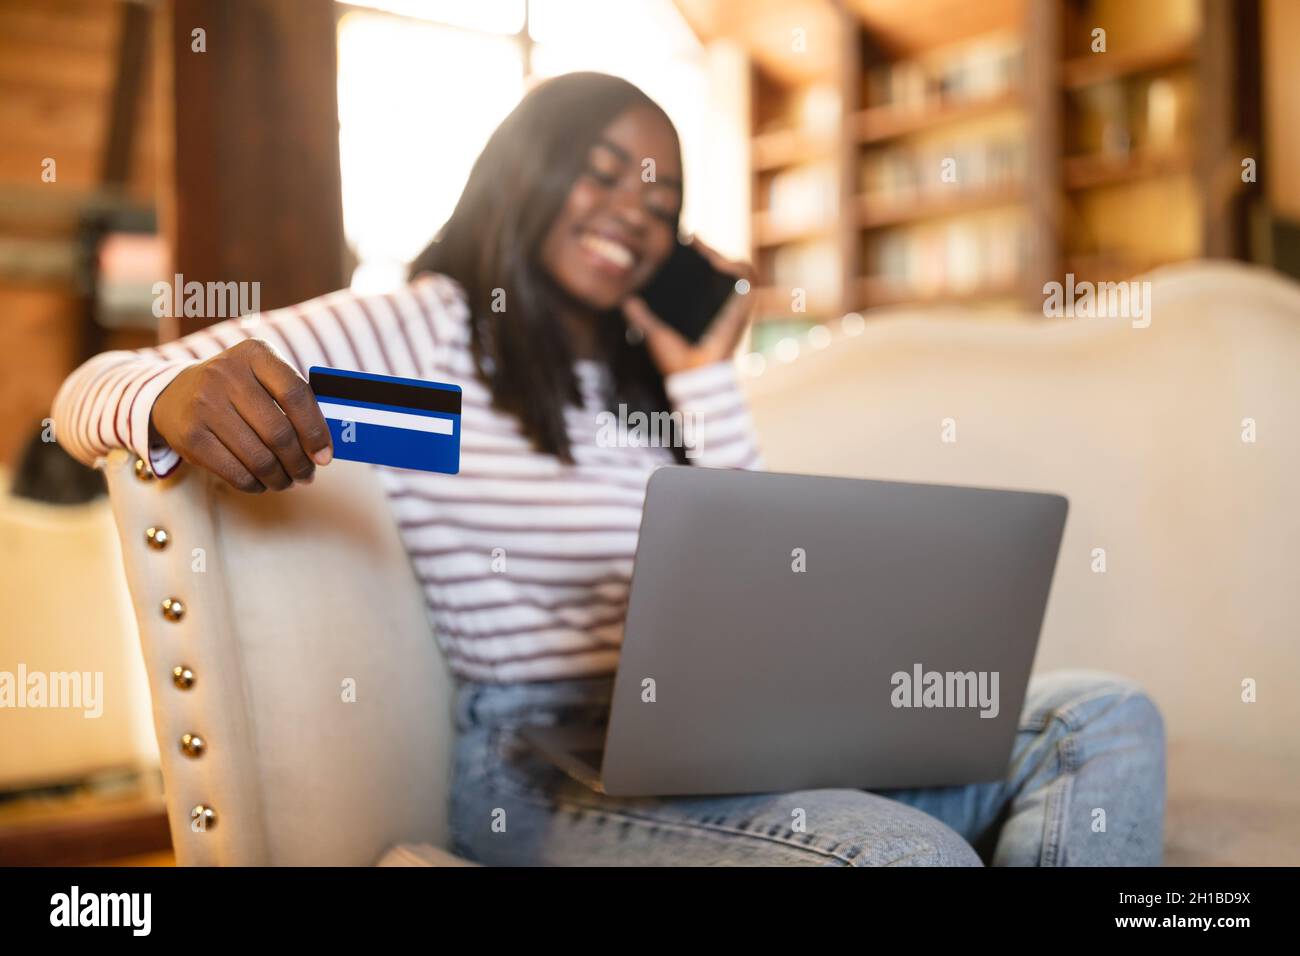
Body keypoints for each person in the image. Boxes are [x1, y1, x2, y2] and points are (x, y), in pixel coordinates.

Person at [52, 72, 1165, 866]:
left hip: (722, 733)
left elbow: (757, 567)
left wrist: (702, 371)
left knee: (1103, 714)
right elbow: (95, 387)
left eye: (660, 203)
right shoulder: (427, 336)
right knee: (895, 852)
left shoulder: (653, 378)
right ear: (522, 174)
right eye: (602, 176)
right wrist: (165, 394)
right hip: (541, 764)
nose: (632, 215)